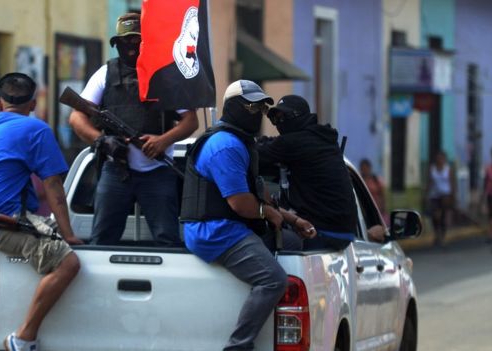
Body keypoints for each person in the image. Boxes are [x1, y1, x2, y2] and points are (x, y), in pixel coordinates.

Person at [181, 80, 314, 350]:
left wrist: (291, 219)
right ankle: (239, 345)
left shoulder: (241, 142)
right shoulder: (226, 145)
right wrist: (267, 213)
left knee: (291, 243)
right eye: (251, 106)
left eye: (261, 108)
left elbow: (257, 194)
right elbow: (241, 204)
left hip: (228, 227)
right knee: (273, 279)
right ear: (233, 108)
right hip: (214, 231)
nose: (257, 113)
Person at [0, 72, 83, 351]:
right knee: (69, 263)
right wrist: (69, 234)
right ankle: (24, 337)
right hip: (4, 223)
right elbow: (53, 185)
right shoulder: (36, 130)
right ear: (32, 104)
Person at [69, 12, 198, 246]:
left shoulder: (165, 76)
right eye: (124, 42)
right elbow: (76, 118)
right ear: (116, 44)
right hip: (116, 170)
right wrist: (101, 141)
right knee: (102, 240)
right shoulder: (105, 74)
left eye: (136, 41)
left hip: (157, 171)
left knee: (167, 240)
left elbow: (191, 121)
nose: (130, 48)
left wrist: (162, 141)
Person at [257, 95, 358, 251]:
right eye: (275, 119)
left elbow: (255, 152)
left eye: (284, 117)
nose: (279, 123)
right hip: (342, 232)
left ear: (298, 116)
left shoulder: (295, 143)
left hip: (322, 231)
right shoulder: (319, 139)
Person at [426, 150, 455, 247]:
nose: (440, 160)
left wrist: (453, 195)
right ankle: (436, 234)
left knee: (443, 217)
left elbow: (452, 182)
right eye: (438, 158)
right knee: (435, 216)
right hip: (434, 195)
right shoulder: (432, 169)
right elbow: (429, 182)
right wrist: (426, 194)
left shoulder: (448, 169)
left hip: (445, 195)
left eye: (442, 158)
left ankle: (442, 236)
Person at [360, 158, 388, 224]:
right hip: (364, 212)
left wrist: (382, 209)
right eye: (363, 168)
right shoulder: (359, 181)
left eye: (366, 168)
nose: (365, 170)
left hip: (377, 211)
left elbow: (382, 196)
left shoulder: (376, 180)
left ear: (369, 168)